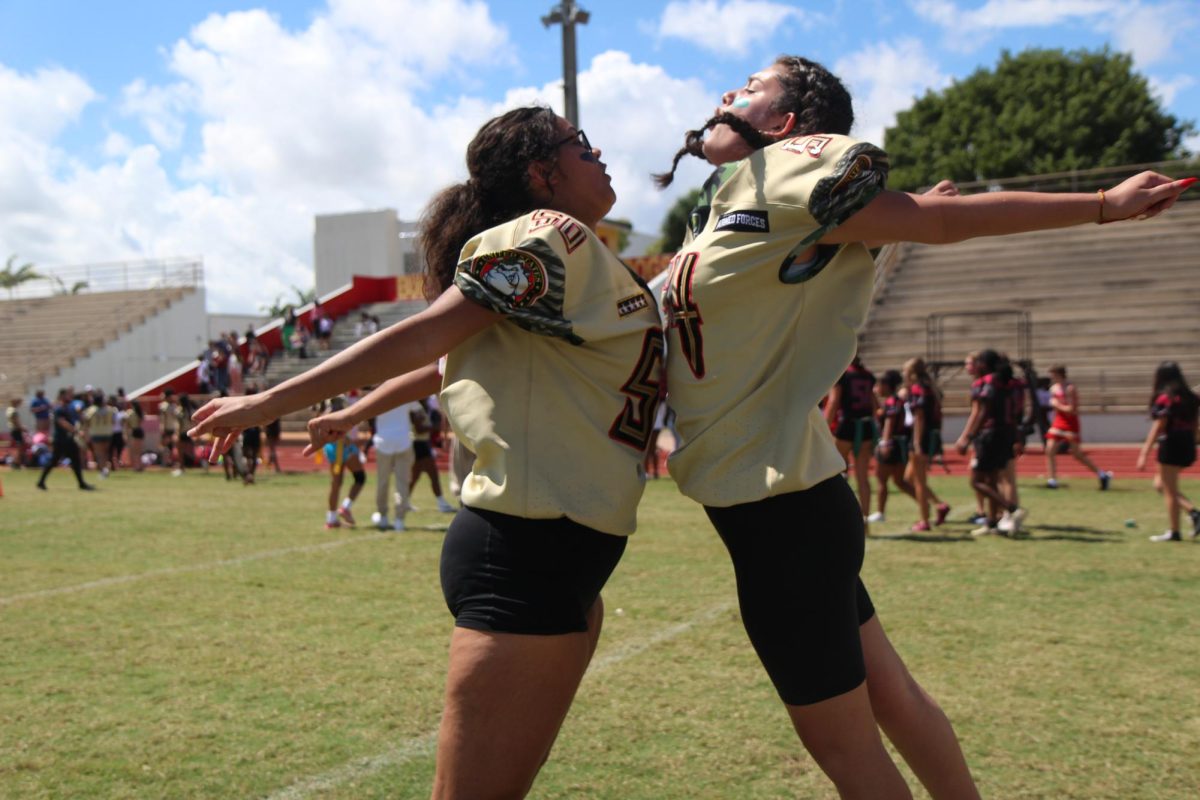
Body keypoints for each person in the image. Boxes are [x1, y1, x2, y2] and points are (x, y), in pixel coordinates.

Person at [655, 55, 1193, 799]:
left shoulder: (790, 167)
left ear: (784, 125)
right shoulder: (734, 200)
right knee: (894, 704)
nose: (724, 95)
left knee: (850, 753)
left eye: (749, 89)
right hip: (791, 503)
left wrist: (1102, 202)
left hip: (778, 510)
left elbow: (940, 221)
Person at [188, 106, 663, 799]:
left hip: (564, 553)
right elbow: (430, 334)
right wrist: (269, 404)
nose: (600, 155)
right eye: (579, 145)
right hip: (527, 552)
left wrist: (355, 410)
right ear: (542, 174)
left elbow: (450, 357)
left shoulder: (575, 254)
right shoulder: (545, 233)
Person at [955, 350, 1028, 536]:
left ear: (984, 364)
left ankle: (1011, 509)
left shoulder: (986, 382)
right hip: (1007, 433)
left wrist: (967, 438)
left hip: (990, 434)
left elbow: (982, 412)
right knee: (993, 480)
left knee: (977, 481)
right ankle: (992, 523)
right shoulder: (1008, 382)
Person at [1136, 361, 1200, 541]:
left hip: (1171, 443)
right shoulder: (1191, 397)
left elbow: (1159, 426)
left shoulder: (1166, 398)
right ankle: (1193, 513)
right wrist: (1194, 442)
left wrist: (1144, 453)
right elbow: (1195, 424)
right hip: (1187, 443)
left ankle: (1174, 531)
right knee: (1160, 484)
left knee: (1170, 490)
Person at [824, 355, 877, 522]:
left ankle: (839, 517)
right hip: (866, 426)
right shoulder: (868, 375)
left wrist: (824, 428)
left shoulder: (842, 374)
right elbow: (874, 405)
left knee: (836, 473)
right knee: (863, 478)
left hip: (847, 425)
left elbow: (833, 402)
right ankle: (866, 519)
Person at [1043, 364, 1112, 490]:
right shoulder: (1053, 388)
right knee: (1049, 449)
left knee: (1077, 454)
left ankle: (1102, 474)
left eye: (1052, 374)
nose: (1050, 377)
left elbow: (1071, 410)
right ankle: (1052, 480)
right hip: (1058, 421)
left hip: (1070, 422)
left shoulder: (1070, 388)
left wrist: (1056, 405)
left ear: (1059, 374)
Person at [903, 357, 951, 532]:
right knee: (908, 478)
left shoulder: (917, 389)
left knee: (919, 481)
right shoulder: (931, 388)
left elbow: (919, 417)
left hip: (921, 437)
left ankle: (924, 520)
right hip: (931, 435)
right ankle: (939, 505)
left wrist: (916, 442)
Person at [368, 397, 422, 531]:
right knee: (402, 482)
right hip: (403, 440)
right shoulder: (405, 393)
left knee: (382, 481)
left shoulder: (378, 395)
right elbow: (419, 411)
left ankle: (383, 516)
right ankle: (399, 520)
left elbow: (367, 414)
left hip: (383, 441)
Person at [870, 370, 917, 524]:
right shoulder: (896, 401)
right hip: (901, 444)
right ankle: (925, 503)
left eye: (878, 385)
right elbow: (880, 413)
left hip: (891, 443)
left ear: (886, 385)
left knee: (881, 479)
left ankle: (880, 512)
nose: (877, 388)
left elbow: (889, 422)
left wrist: (884, 442)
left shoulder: (892, 401)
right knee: (899, 481)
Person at [320, 396, 365, 529]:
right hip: (342, 447)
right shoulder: (339, 410)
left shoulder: (326, 412)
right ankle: (345, 507)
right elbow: (342, 433)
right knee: (360, 478)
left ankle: (331, 519)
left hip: (331, 448)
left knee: (336, 484)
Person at [36, 388, 94, 491]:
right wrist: (76, 431)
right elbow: (62, 423)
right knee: (54, 461)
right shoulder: (59, 409)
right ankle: (41, 481)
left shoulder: (67, 408)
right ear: (62, 396)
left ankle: (81, 483)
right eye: (68, 395)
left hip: (68, 439)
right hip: (61, 440)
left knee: (75, 461)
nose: (70, 397)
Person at [408, 397, 456, 513]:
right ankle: (441, 503)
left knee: (415, 476)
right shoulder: (416, 408)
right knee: (433, 474)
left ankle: (403, 500)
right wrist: (434, 427)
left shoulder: (423, 408)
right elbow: (419, 429)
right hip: (419, 444)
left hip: (421, 443)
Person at [6, 397, 28, 468]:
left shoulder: (9, 410)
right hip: (16, 430)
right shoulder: (13, 411)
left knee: (17, 447)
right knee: (19, 447)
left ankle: (16, 462)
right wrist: (22, 428)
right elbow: (16, 422)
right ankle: (16, 463)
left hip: (13, 430)